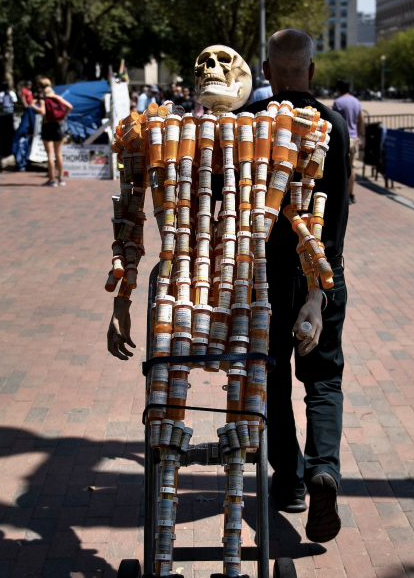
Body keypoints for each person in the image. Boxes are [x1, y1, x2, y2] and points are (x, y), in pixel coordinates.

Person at [106, 29, 350, 544]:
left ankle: (289, 483)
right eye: (206, 62)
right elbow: (131, 215)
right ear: (312, 70)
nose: (212, 70)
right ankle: (318, 469)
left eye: (223, 62)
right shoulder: (308, 125)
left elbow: (293, 212)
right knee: (318, 379)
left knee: (271, 381)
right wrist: (318, 291)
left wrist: (124, 299)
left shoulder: (272, 124)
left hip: (248, 278)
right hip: (252, 278)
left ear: (259, 70)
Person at [30, 78, 72, 187]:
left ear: (41, 87)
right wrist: (62, 116)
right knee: (59, 154)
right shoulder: (56, 97)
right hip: (57, 126)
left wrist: (33, 105)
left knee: (50, 154)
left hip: (47, 126)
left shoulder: (43, 99)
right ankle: (61, 179)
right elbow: (70, 106)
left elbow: (42, 111)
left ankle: (52, 179)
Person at [332, 78, 364, 204]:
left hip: (342, 138)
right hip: (354, 138)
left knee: (341, 168)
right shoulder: (356, 101)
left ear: (338, 88)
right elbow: (361, 119)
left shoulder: (338, 102)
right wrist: (358, 135)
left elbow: (334, 120)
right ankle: (351, 194)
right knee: (352, 168)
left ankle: (343, 194)